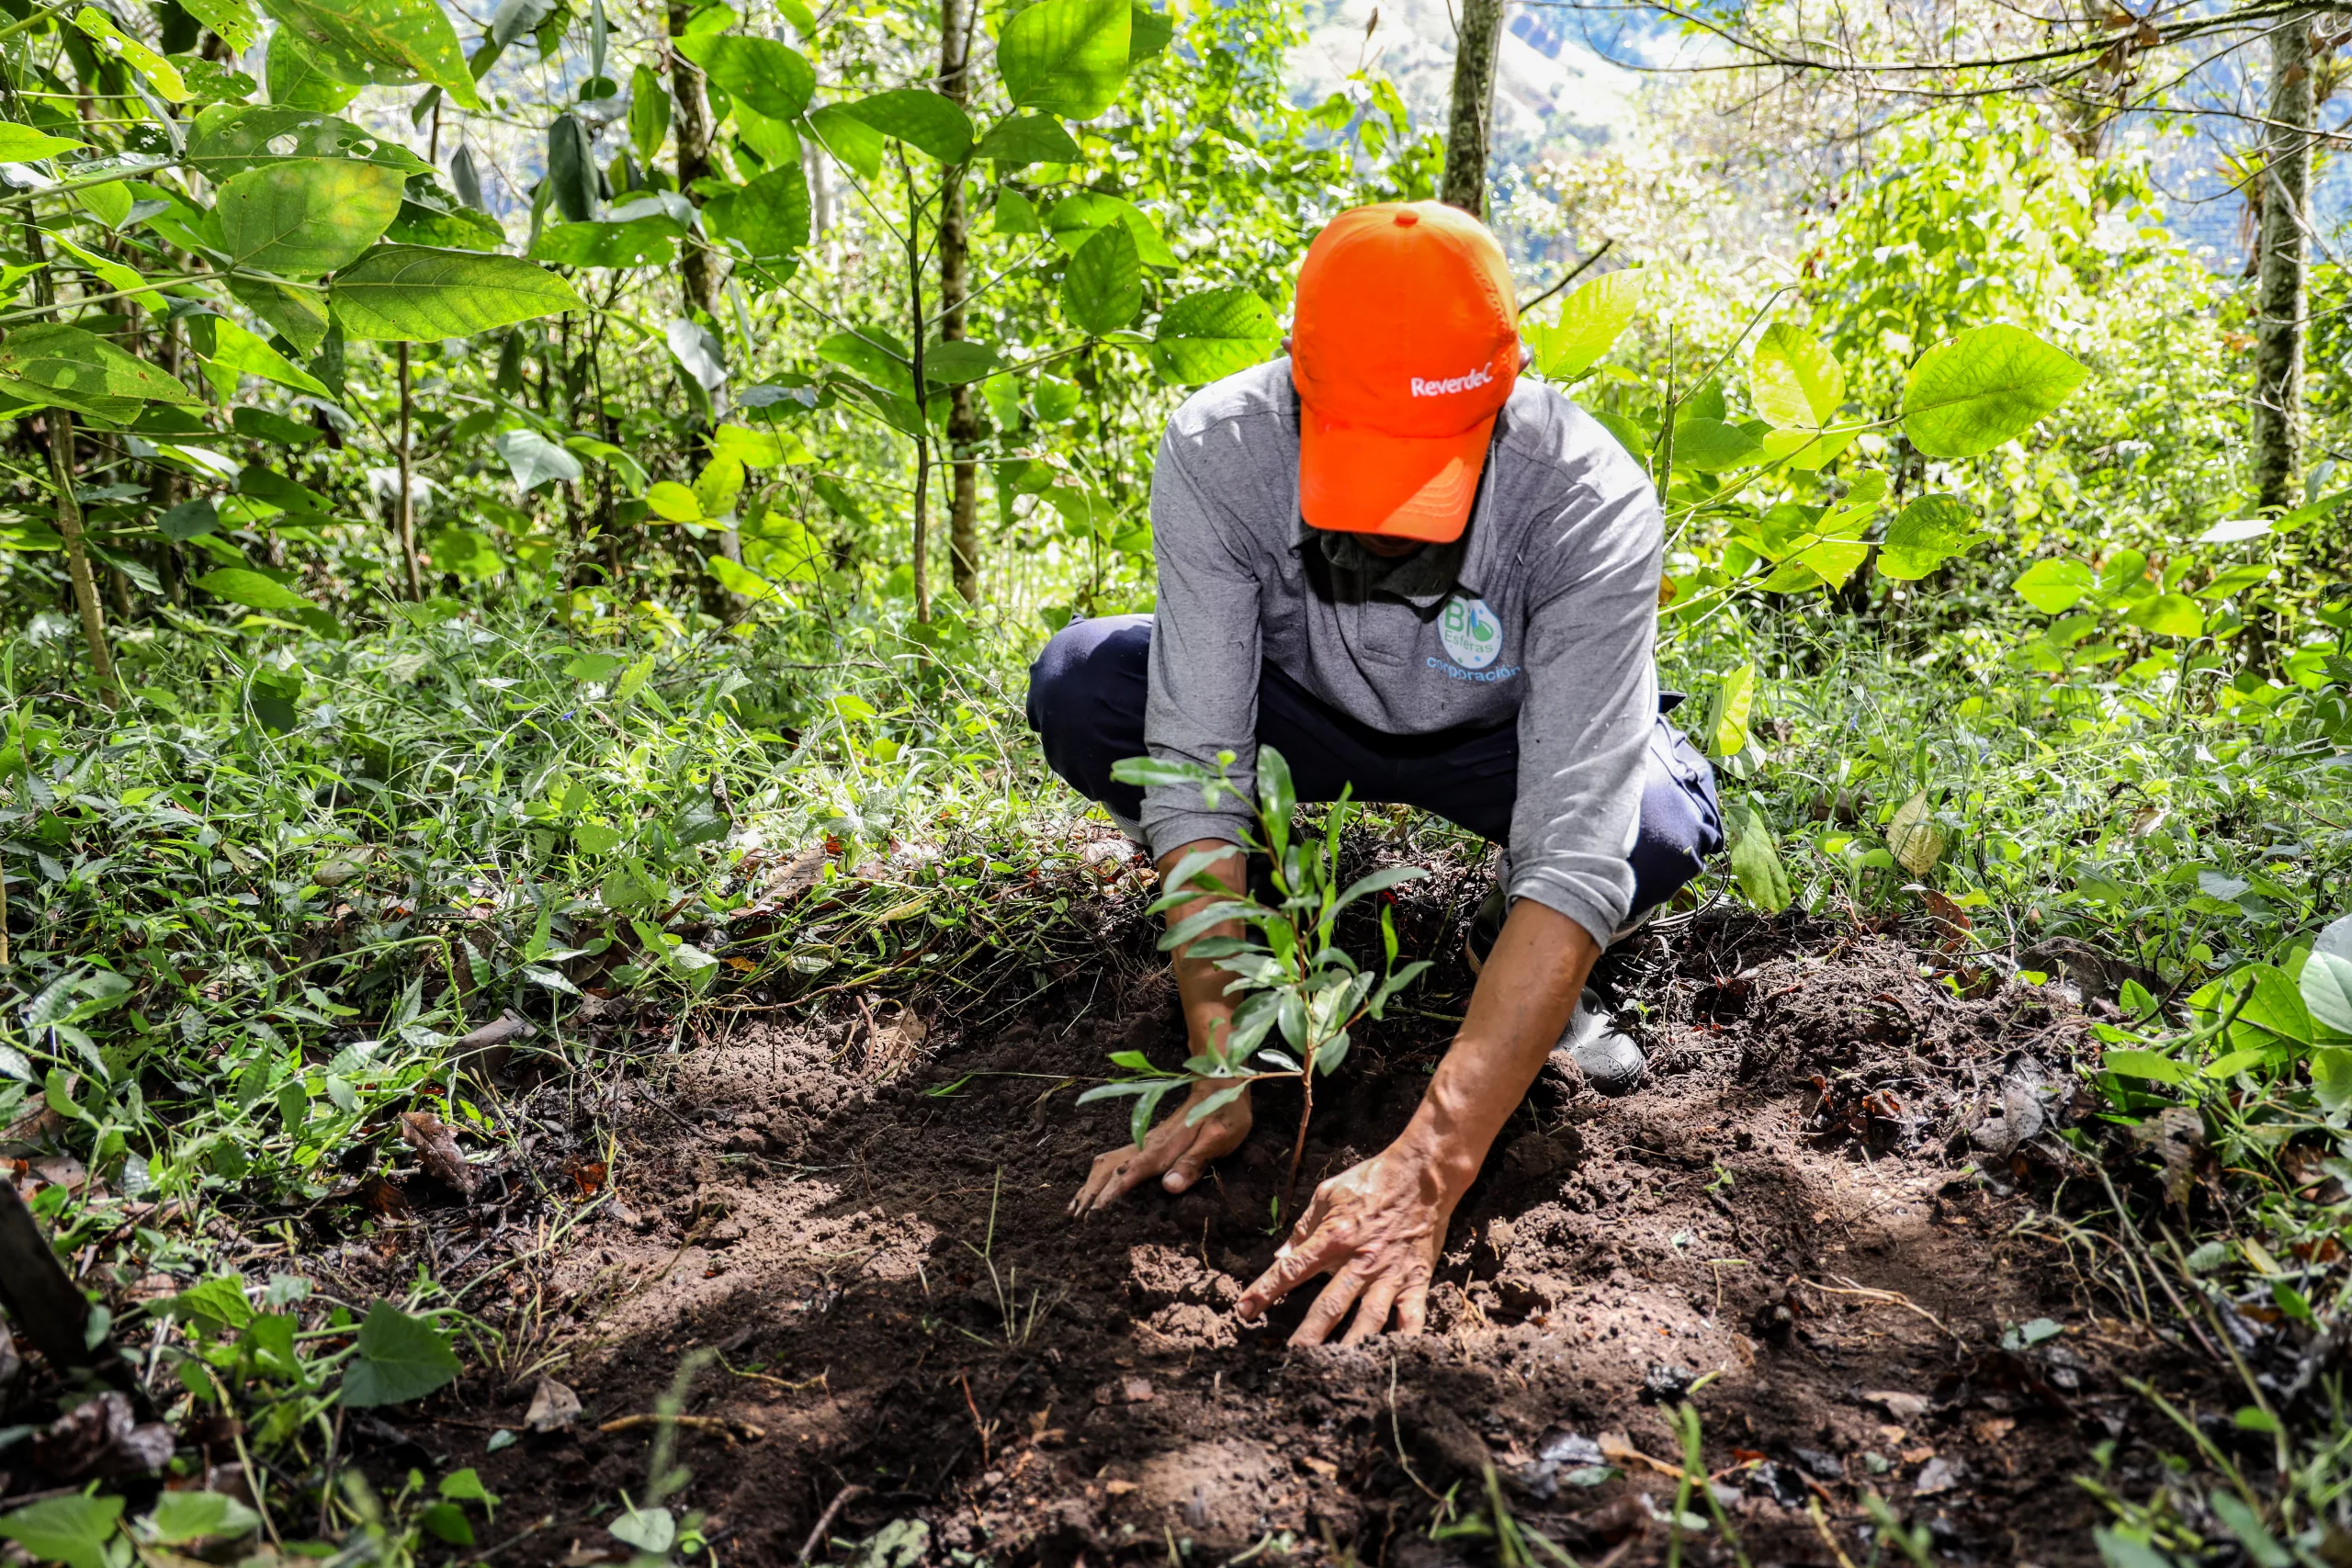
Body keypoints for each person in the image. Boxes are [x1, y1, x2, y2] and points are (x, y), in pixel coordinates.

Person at [1023, 201, 1724, 1346]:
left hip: (1503, 741)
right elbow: (1198, 766)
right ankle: (1278, 920)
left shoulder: (1587, 501)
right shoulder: (1222, 449)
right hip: (1302, 721)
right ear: (1298, 385)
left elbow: (1576, 843)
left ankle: (1521, 963)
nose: (1395, 526)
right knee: (1087, 685)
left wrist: (1427, 1170)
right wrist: (1220, 1051)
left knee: (1645, 825)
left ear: (1505, 397)